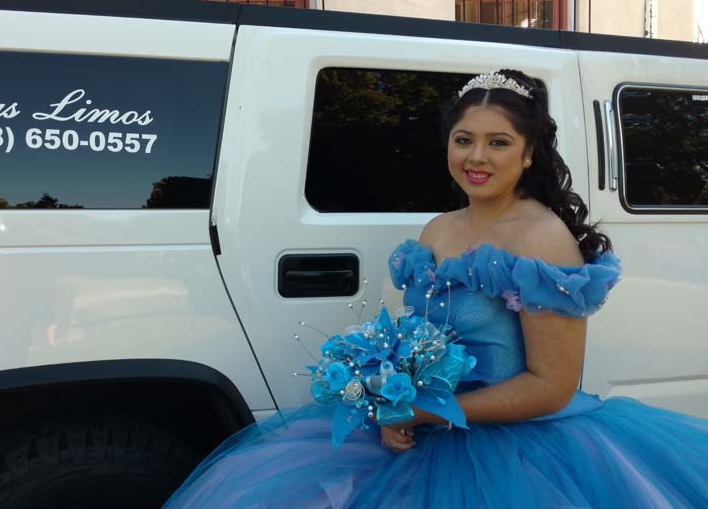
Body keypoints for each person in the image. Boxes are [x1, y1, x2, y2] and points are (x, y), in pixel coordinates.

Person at [163, 70, 708, 508]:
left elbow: (552, 386)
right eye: (464, 139)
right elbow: (420, 336)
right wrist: (392, 393)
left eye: (499, 142)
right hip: (423, 436)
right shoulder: (438, 229)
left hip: (517, 454)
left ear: (528, 153)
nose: (477, 157)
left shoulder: (542, 239)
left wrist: (426, 411)